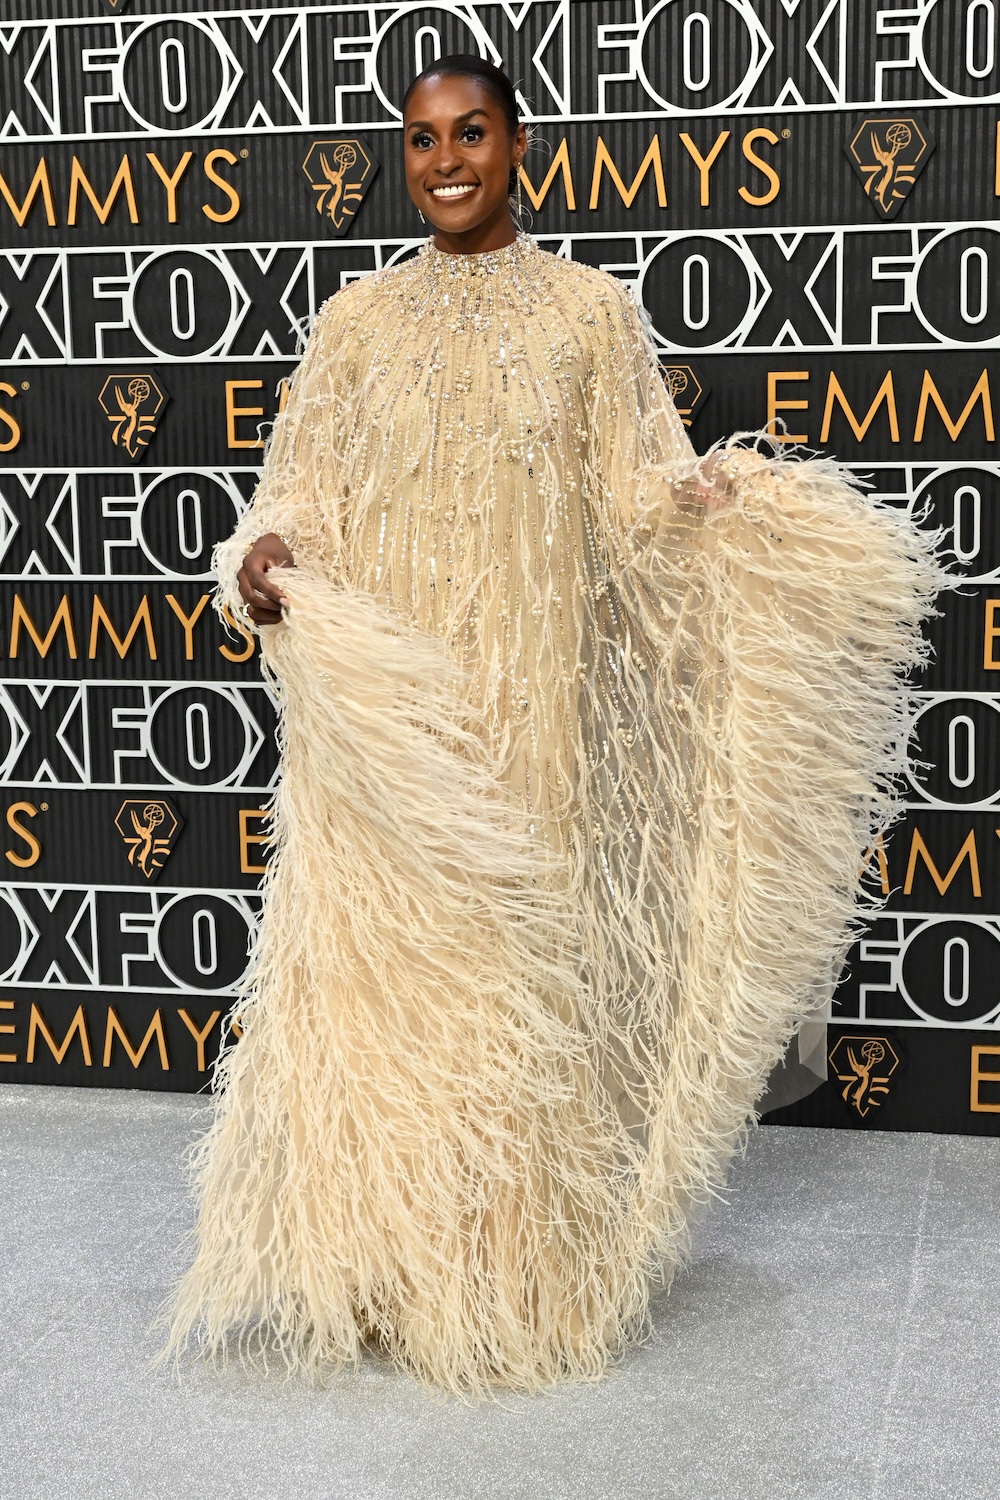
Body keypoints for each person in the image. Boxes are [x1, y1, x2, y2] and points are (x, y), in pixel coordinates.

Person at [164, 56, 941, 1395]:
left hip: (534, 720)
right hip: (399, 732)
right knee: (396, 989)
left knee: (519, 997)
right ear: (402, 160)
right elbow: (305, 489)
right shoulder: (353, 324)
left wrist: (716, 503)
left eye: (470, 133)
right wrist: (271, 546)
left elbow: (633, 496)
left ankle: (513, 1277)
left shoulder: (592, 316)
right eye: (419, 140)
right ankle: (386, 1263)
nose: (444, 160)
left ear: (518, 145)